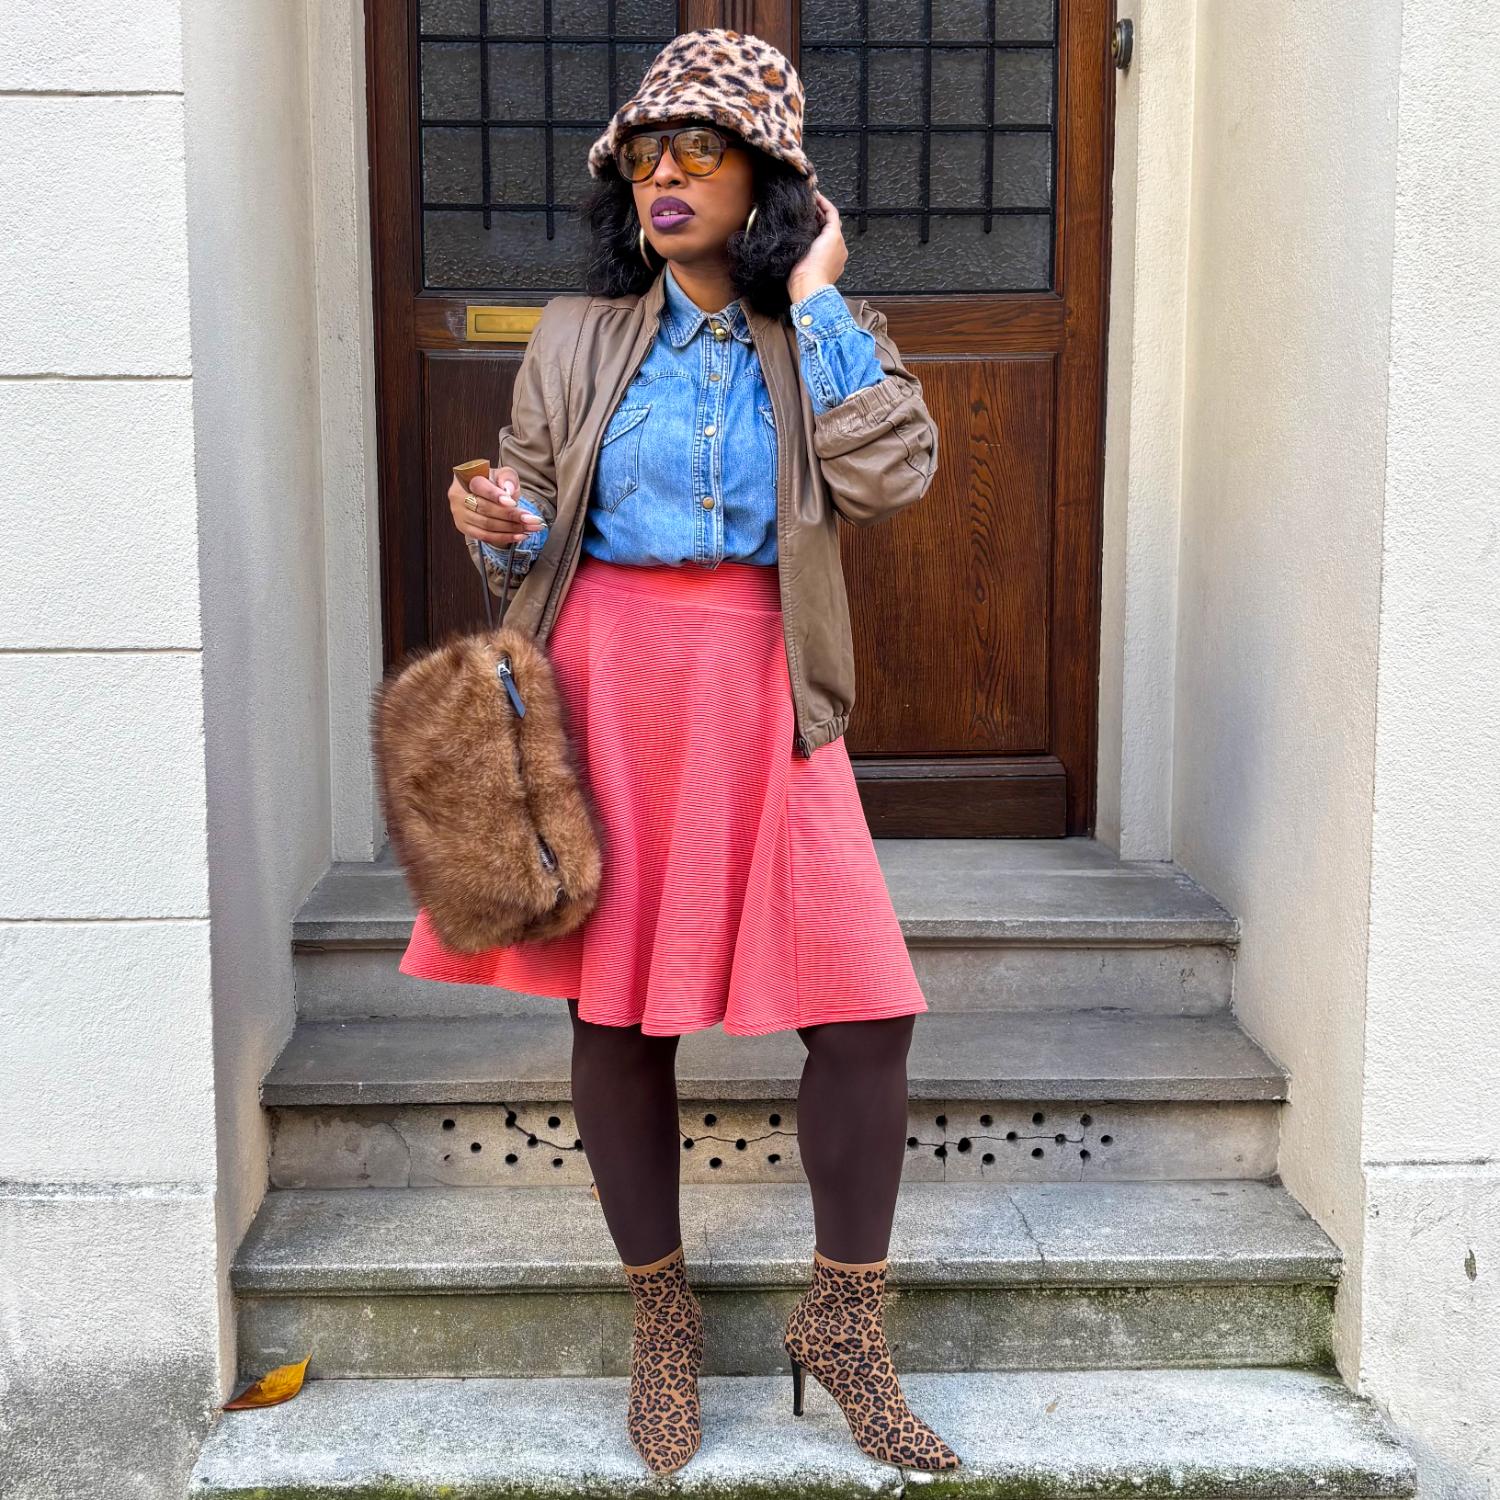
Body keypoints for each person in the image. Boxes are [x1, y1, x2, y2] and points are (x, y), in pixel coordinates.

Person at [398, 27, 958, 1478]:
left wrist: (822, 297)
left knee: (863, 1011)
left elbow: (893, 474)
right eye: (646, 152)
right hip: (608, 678)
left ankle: (845, 1323)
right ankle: (663, 1325)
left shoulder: (813, 329)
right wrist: (491, 516)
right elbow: (526, 501)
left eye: (699, 149)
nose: (664, 174)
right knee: (619, 1011)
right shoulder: (583, 332)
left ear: (764, 179)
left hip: (766, 677)